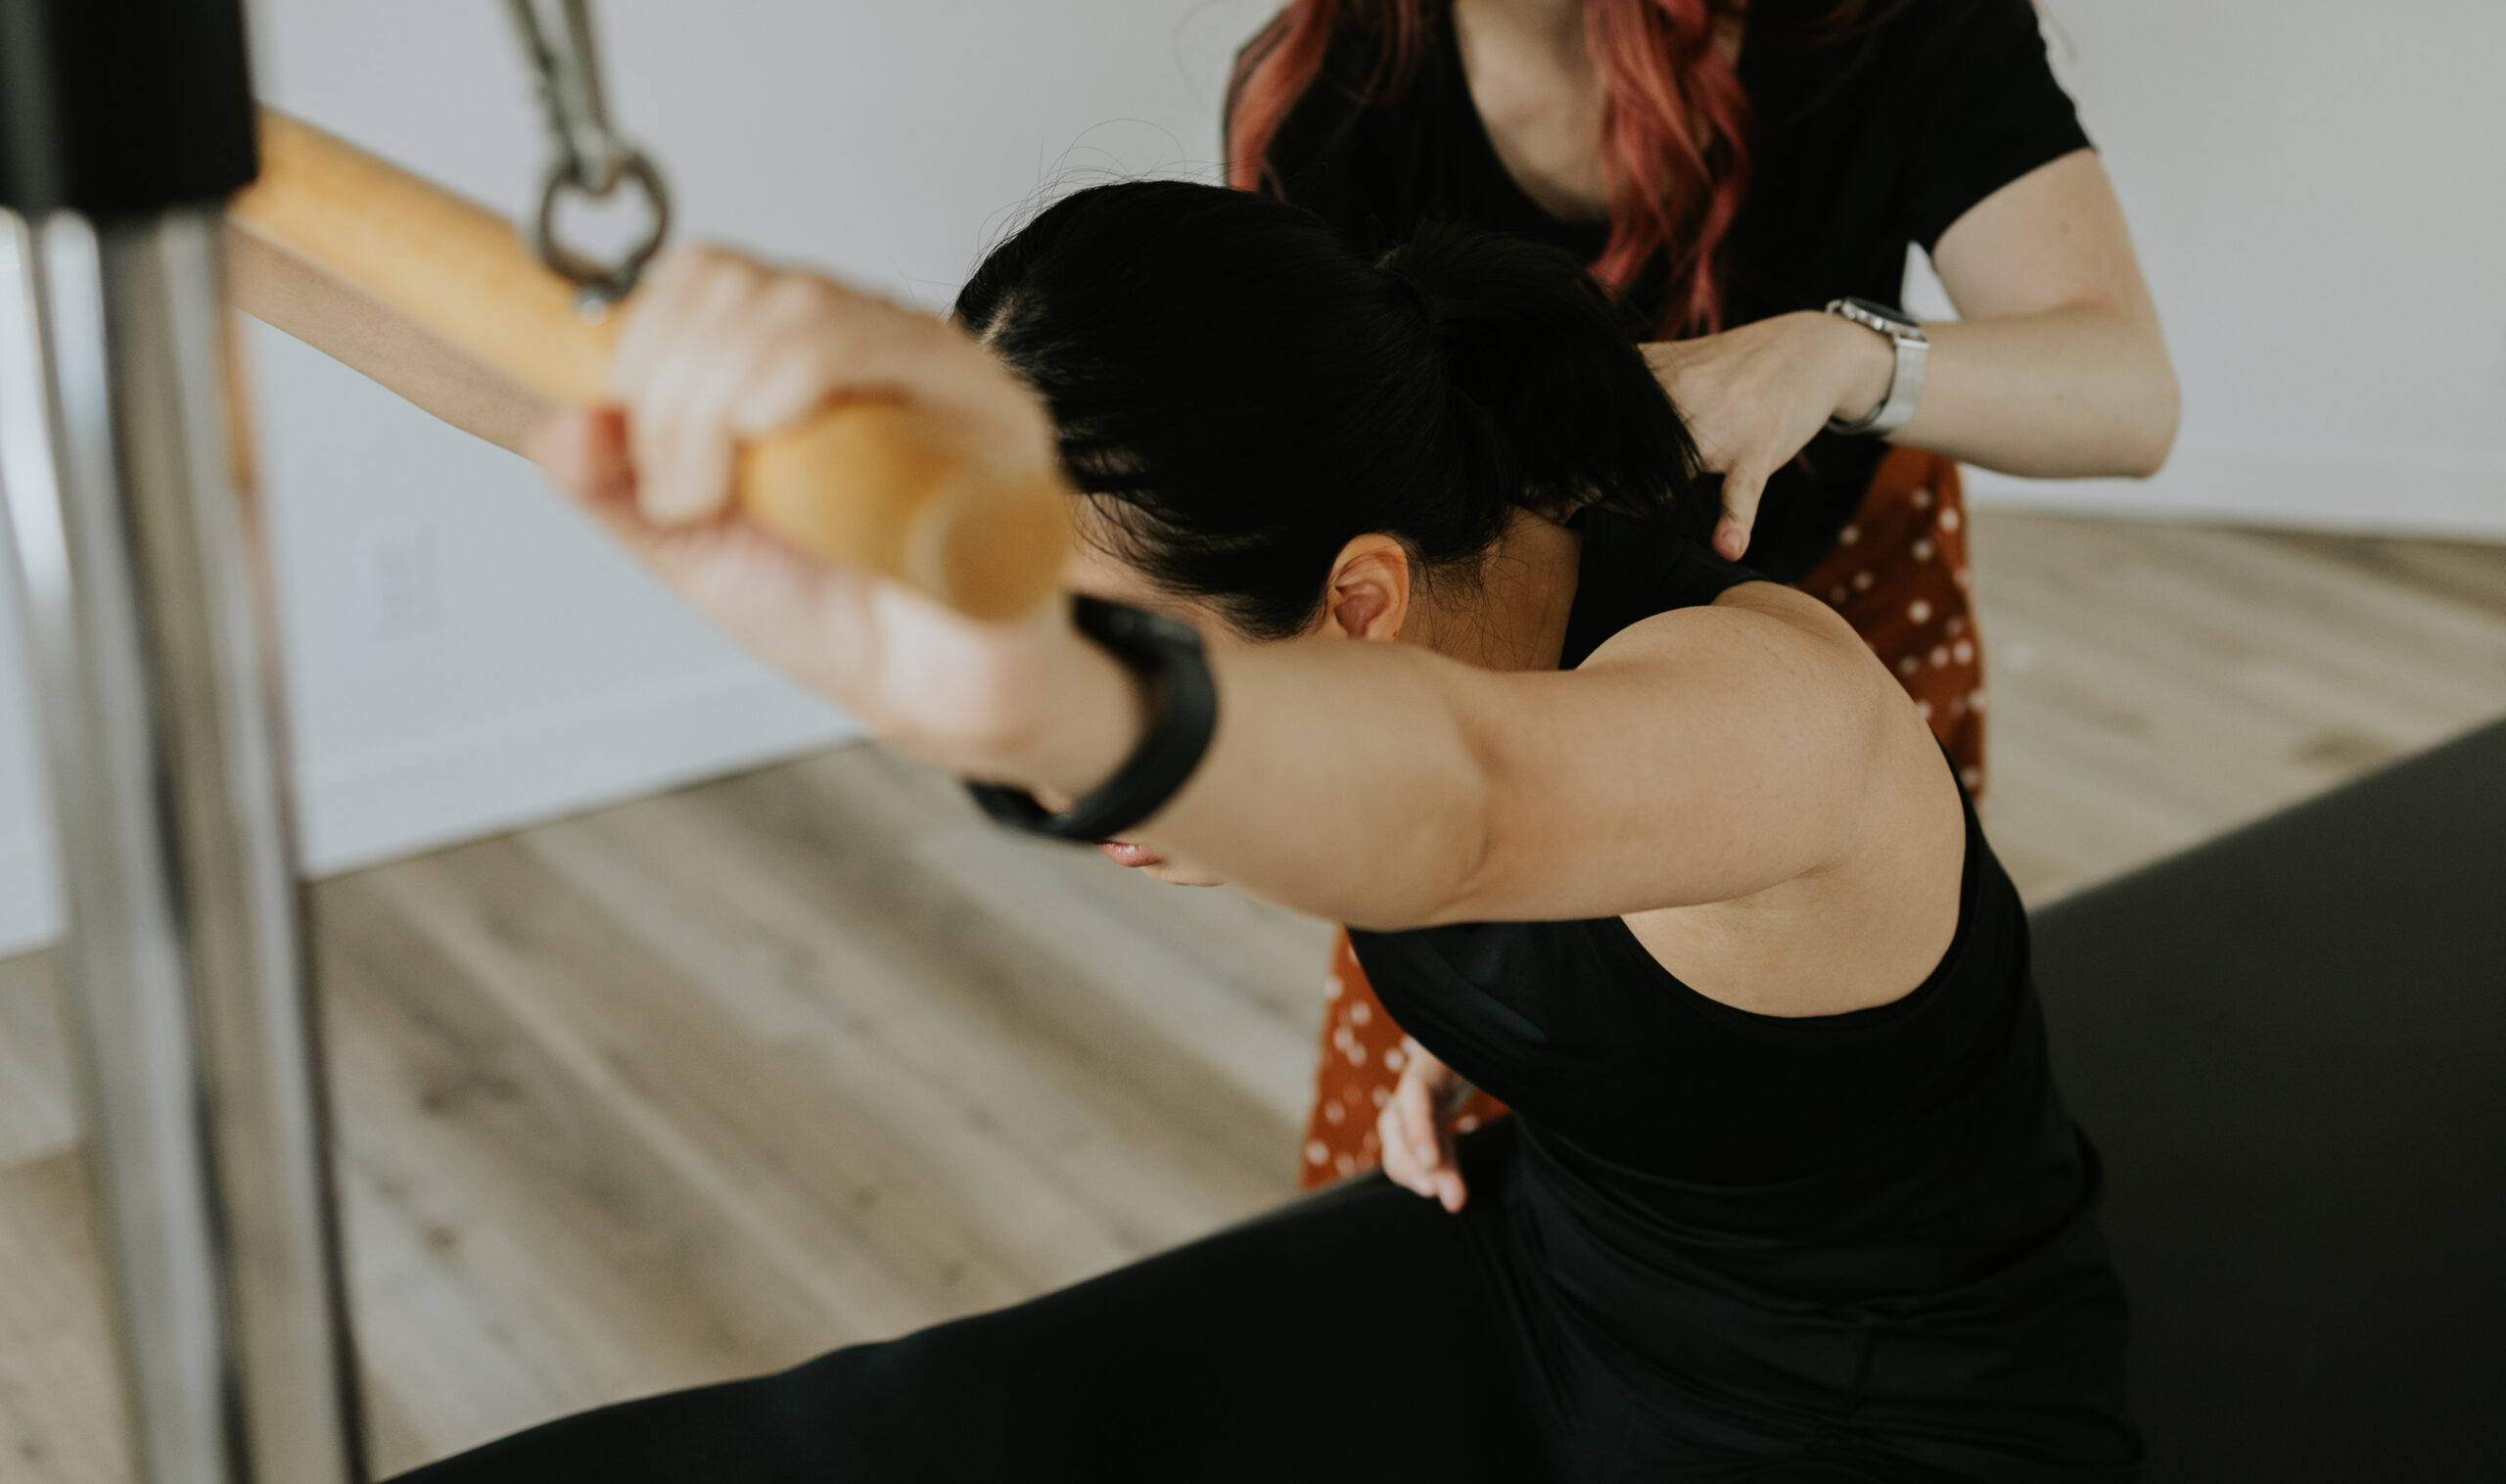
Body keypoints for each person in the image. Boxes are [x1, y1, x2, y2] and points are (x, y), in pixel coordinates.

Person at [393, 180, 2140, 1483]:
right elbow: (560, 383)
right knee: (871, 1443)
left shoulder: (1778, 715)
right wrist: (184, 179)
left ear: (1361, 601)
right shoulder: (1318, 559)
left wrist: (1026, 703)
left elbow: (1464, 813)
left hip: (1886, 1440)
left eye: (1113, 642)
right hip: (1543, 1281)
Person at [1227, 0, 2179, 1182]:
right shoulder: (1323, 110)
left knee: (1827, 1150)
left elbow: (2124, 394)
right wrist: (1448, 984)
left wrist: (1838, 353)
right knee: (1424, 1185)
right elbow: (1358, 612)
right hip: (1497, 686)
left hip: (1834, 621)